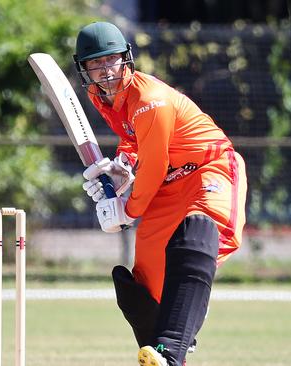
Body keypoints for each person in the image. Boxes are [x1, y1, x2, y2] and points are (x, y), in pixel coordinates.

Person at [73, 21, 247, 366]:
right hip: (169, 185)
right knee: (145, 284)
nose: (106, 71)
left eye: (111, 61)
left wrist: (128, 209)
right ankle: (162, 353)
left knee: (199, 230)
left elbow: (154, 165)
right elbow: (134, 140)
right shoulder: (101, 98)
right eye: (96, 64)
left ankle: (171, 349)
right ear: (85, 69)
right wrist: (122, 166)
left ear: (126, 59)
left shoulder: (150, 99)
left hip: (208, 168)